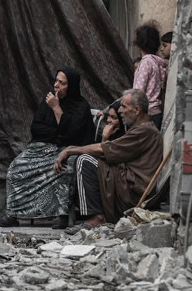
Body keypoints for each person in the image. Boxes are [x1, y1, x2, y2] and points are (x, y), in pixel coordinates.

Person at [0, 67, 95, 230]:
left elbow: (72, 135)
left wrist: (57, 109)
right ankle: (13, 214)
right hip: (40, 148)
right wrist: (59, 130)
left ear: (72, 86)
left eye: (62, 83)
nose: (56, 85)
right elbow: (36, 128)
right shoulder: (46, 100)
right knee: (15, 169)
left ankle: (61, 214)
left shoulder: (80, 107)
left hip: (64, 150)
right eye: (56, 81)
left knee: (63, 170)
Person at [54, 89, 163, 232]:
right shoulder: (141, 128)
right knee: (88, 159)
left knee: (84, 161)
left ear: (136, 110)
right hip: (127, 181)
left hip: (132, 191)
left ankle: (96, 218)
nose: (121, 111)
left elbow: (105, 149)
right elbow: (110, 150)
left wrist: (69, 150)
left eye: (124, 107)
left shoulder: (144, 130)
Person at [132, 23, 167, 130]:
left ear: (138, 44)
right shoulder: (157, 62)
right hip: (156, 112)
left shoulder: (146, 62)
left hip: (147, 113)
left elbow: (138, 92)